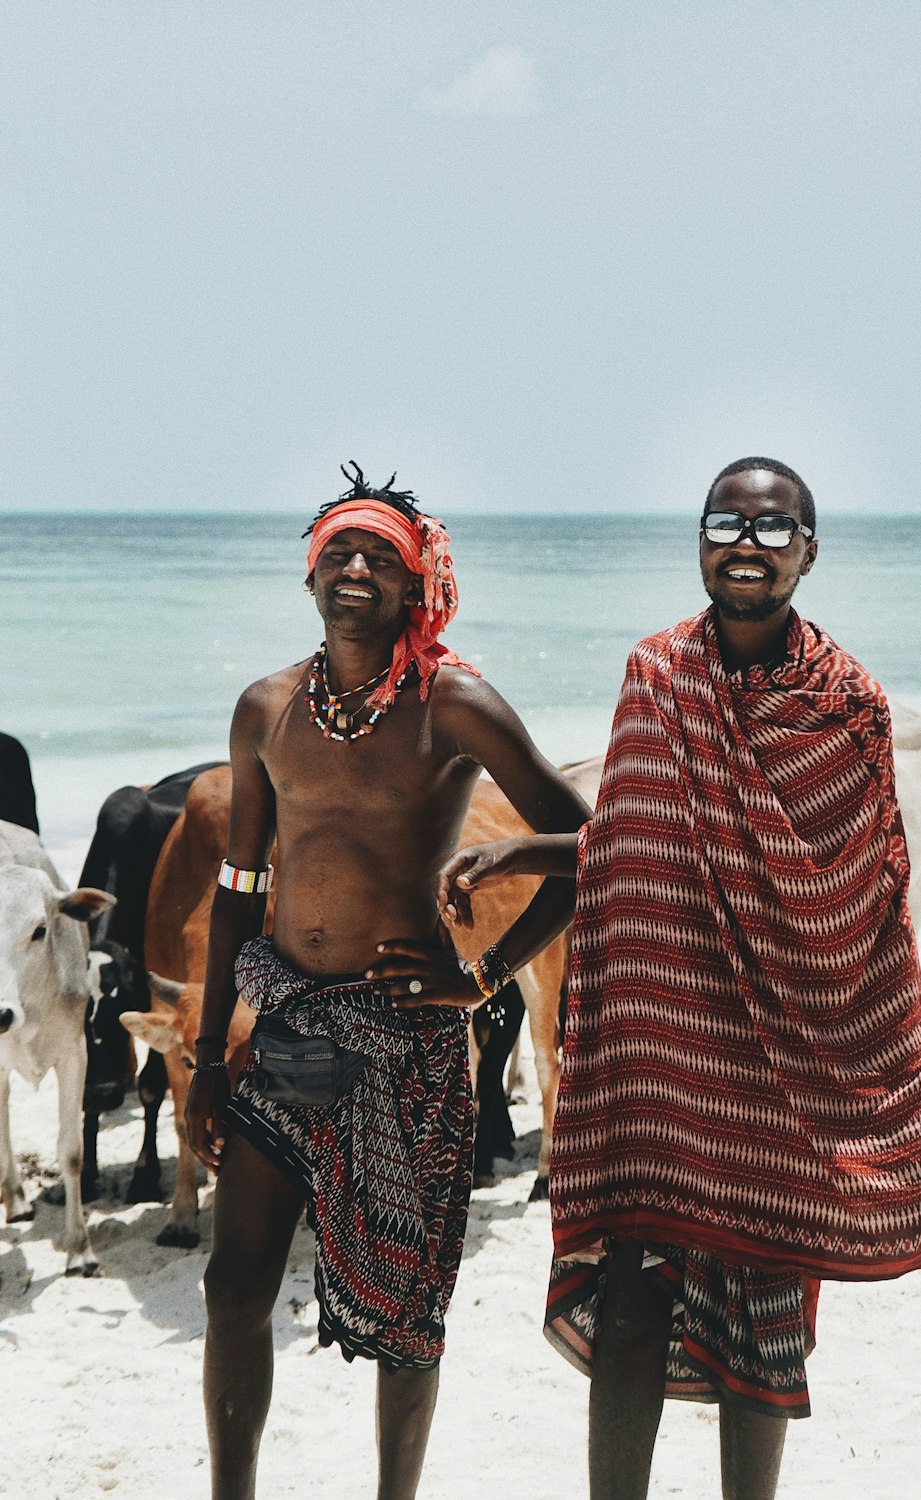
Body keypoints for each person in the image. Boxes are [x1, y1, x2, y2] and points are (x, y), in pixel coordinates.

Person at [437, 457, 921, 1500]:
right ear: (700, 539)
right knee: (629, 1299)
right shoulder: (656, 675)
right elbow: (633, 845)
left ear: (808, 551)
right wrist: (522, 861)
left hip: (779, 1059)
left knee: (764, 1318)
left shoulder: (847, 706)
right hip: (663, 1052)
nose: (747, 546)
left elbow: (853, 901)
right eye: (728, 523)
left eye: (773, 530)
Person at [185, 463, 591, 1500]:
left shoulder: (450, 702)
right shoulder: (266, 708)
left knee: (406, 1318)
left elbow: (588, 843)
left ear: (416, 588)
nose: (354, 566)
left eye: (381, 556)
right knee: (233, 1289)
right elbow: (239, 884)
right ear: (310, 575)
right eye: (337, 551)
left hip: (407, 1042)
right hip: (281, 1028)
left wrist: (486, 973)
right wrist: (204, 1060)